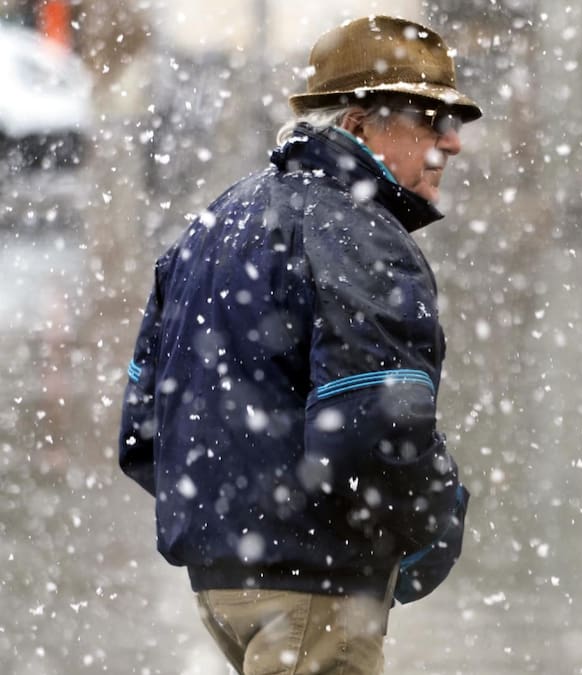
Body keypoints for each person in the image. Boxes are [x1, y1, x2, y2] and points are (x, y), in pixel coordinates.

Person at [116, 16, 480, 675]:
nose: (451, 143)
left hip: (224, 585)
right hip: (317, 587)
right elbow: (374, 429)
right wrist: (439, 519)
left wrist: (232, 526)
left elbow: (144, 433)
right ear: (359, 125)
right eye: (429, 119)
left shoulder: (214, 223)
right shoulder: (362, 236)